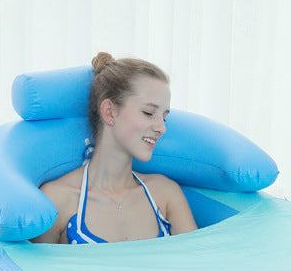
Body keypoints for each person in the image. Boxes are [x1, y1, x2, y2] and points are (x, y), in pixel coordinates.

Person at [32, 52, 198, 244]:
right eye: (149, 112)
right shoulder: (58, 199)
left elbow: (194, 267)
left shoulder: (166, 195)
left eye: (164, 117)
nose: (162, 128)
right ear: (109, 112)